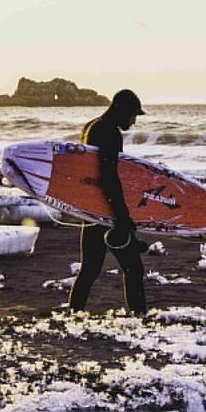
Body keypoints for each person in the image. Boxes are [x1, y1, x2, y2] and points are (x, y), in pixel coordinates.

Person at [69, 88, 149, 313]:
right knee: (133, 267)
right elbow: (109, 176)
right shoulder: (109, 132)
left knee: (90, 268)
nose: (133, 121)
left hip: (92, 208)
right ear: (122, 110)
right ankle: (139, 317)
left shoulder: (91, 127)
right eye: (133, 115)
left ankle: (73, 313)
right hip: (106, 211)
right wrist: (122, 217)